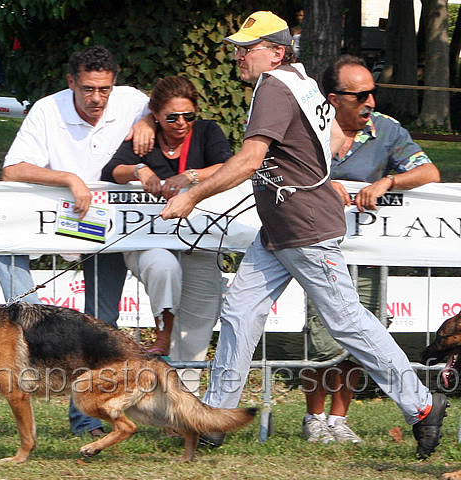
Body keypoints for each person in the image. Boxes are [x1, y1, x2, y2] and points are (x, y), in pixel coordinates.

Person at [159, 11, 448, 459]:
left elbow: (251, 159)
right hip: (281, 226)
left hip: (305, 229)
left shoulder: (274, 87)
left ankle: (424, 406)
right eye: (237, 46)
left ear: (276, 52)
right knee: (239, 311)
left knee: (348, 322)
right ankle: (215, 416)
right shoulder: (300, 79)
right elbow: (328, 141)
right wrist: (303, 174)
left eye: (247, 48)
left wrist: (193, 195)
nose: (239, 55)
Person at [0, 45, 154, 438]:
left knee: (102, 325)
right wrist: (68, 178)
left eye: (104, 89)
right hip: (47, 223)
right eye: (87, 89)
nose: (97, 98)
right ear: (70, 83)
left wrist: (149, 119)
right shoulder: (48, 109)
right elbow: (12, 170)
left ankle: (86, 420)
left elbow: (168, 109)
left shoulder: (134, 101)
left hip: (106, 231)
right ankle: (33, 335)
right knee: (24, 306)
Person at [300, 54, 441, 444]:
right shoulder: (308, 128)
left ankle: (339, 420)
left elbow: (429, 171)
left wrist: (389, 182)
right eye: (360, 96)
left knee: (363, 333)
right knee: (321, 334)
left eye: (372, 94)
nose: (371, 103)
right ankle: (314, 419)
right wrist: (322, 184)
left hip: (366, 255)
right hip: (313, 249)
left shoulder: (387, 130)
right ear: (333, 98)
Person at [101, 75, 232, 393]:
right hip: (147, 240)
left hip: (198, 241)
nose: (181, 123)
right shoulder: (143, 138)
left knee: (198, 328)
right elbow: (112, 171)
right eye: (172, 117)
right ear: (155, 115)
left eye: (189, 115)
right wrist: (139, 169)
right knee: (163, 266)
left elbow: (230, 166)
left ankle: (182, 405)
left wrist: (190, 175)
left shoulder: (207, 132)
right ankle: (163, 329)